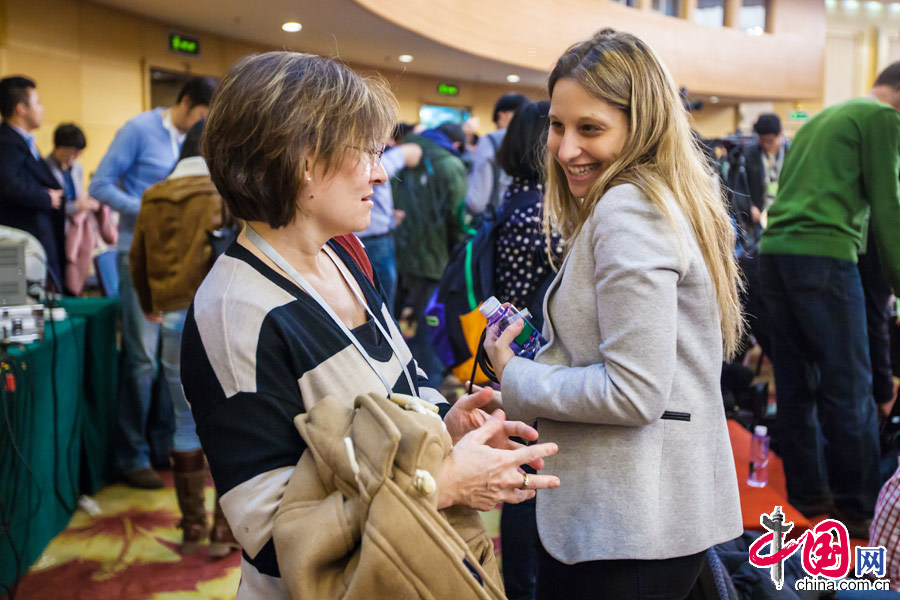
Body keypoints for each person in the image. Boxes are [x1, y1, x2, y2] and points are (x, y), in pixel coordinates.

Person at [180, 51, 560, 599]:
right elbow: (271, 538)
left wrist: (446, 424)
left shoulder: (344, 252)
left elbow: (394, 390)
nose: (380, 172)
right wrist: (443, 480)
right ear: (305, 160)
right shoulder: (234, 312)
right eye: (365, 152)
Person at [484, 29, 744, 599]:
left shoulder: (629, 209)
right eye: (557, 125)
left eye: (591, 129)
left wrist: (515, 374)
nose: (566, 147)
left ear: (642, 125)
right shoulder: (653, 199)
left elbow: (632, 392)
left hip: (626, 525)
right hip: (644, 517)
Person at [759, 62, 900, 538]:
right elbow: (889, 207)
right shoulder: (883, 118)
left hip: (774, 256)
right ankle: (859, 511)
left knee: (796, 386)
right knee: (850, 389)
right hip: (823, 257)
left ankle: (810, 495)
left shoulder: (823, 116)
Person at [90, 76, 216, 489]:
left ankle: (168, 448)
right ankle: (131, 456)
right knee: (143, 361)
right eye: (205, 115)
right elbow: (100, 185)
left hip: (182, 266)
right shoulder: (139, 130)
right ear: (187, 102)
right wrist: (152, 208)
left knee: (175, 367)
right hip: (139, 255)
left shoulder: (190, 146)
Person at [129, 119, 238, 557]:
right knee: (232, 419)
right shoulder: (223, 193)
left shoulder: (153, 195)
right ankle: (225, 531)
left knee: (183, 421)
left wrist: (149, 302)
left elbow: (137, 257)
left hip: (172, 316)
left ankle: (192, 526)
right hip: (219, 317)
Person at [491, 100, 564, 600]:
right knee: (528, 475)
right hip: (532, 357)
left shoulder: (511, 199)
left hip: (513, 351)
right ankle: (524, 586)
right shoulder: (541, 210)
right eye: (558, 129)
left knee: (522, 468)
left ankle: (521, 582)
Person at [393, 120, 468, 388]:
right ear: (455, 143)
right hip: (439, 260)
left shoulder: (404, 153)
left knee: (408, 317)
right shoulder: (450, 165)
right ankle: (429, 386)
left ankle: (406, 378)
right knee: (434, 322)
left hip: (404, 254)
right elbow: (456, 218)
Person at [0, 75, 64, 288]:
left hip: (37, 238)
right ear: (21, 109)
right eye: (37, 103)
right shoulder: (6, 142)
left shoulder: (25, 142)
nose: (42, 108)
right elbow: (7, 185)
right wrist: (45, 197)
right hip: (21, 244)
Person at [354, 138, 422, 311]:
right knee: (381, 306)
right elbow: (413, 151)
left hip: (370, 238)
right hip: (374, 241)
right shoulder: (376, 160)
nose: (380, 176)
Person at [466, 93, 528, 216]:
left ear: (501, 114)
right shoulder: (533, 140)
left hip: (497, 219)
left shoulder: (490, 141)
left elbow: (478, 203)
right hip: (526, 217)